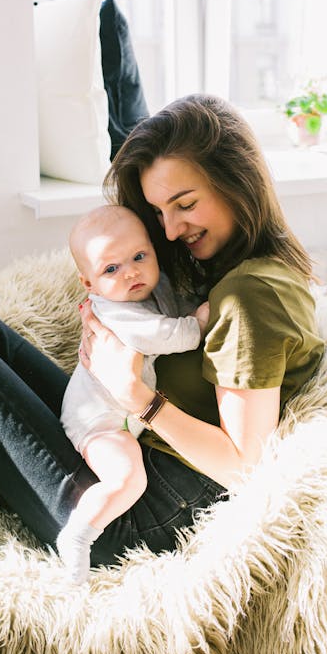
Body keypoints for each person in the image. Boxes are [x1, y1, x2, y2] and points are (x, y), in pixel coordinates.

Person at [0, 93, 324, 580]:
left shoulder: (248, 297)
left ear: (237, 182)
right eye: (159, 212)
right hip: (120, 440)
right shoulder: (229, 265)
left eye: (186, 204)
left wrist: (137, 396)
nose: (171, 231)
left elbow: (243, 467)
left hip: (136, 512)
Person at [57, 204, 209, 583]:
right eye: (111, 269)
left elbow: (170, 304)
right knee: (128, 479)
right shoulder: (114, 312)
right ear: (89, 284)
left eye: (139, 256)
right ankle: (77, 537)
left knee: (131, 470)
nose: (131, 272)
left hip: (122, 416)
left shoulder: (146, 288)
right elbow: (166, 334)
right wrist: (201, 323)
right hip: (98, 422)